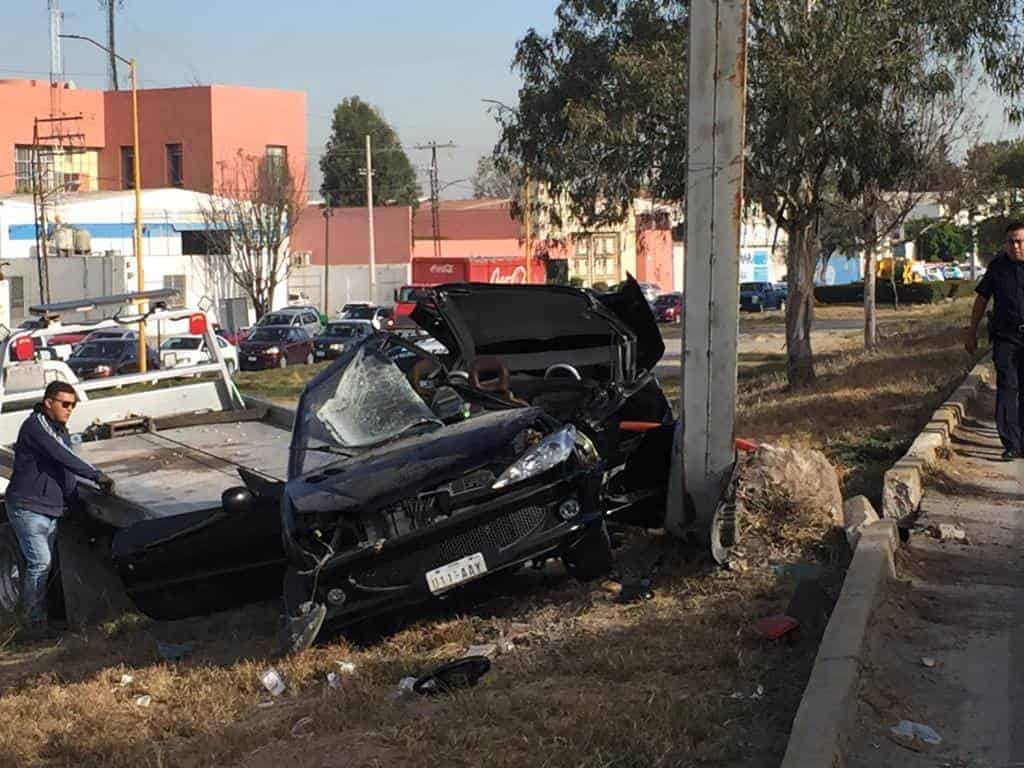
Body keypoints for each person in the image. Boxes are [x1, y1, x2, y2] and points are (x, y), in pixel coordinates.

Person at [5, 381, 113, 637]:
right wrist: (96, 475)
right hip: (27, 507)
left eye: (73, 405)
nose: (69, 409)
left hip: (49, 509)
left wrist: (78, 506)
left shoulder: (60, 430)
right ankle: (32, 625)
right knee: (40, 563)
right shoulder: (36, 425)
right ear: (48, 403)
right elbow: (64, 456)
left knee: (47, 565)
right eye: (64, 404)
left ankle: (46, 618)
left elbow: (65, 473)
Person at [966, 221, 1024, 460]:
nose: (1015, 246)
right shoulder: (998, 267)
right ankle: (1011, 443)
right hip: (1006, 337)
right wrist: (971, 332)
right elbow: (981, 300)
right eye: (1011, 241)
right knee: (1008, 387)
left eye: (1020, 241)